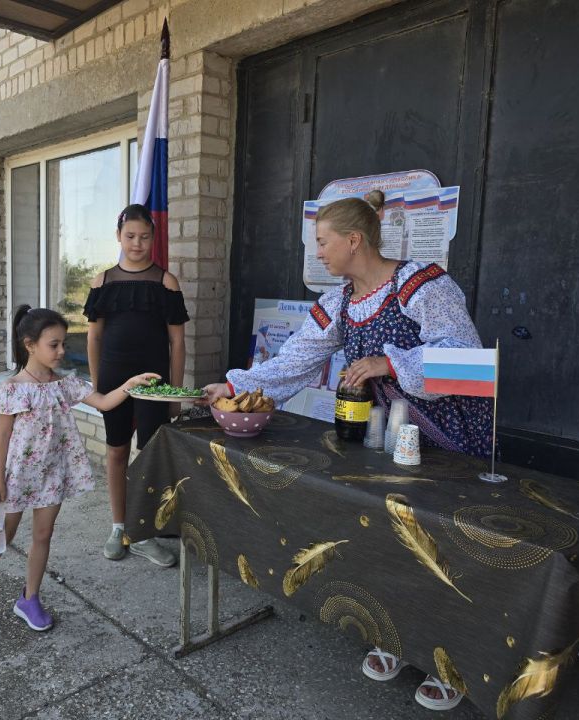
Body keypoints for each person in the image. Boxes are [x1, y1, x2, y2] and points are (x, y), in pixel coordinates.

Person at [203, 190, 492, 712]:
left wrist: (389, 362)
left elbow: (468, 365)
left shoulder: (423, 285)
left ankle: (453, 662)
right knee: (386, 532)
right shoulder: (340, 302)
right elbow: (293, 361)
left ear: (353, 240)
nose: (319, 254)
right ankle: (398, 636)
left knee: (443, 545)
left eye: (323, 243)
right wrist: (234, 385)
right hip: (381, 435)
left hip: (447, 438)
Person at [0, 306, 159, 630]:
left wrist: (131, 384)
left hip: (52, 473)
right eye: (54, 344)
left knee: (43, 535)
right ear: (29, 344)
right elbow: (2, 436)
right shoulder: (12, 388)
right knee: (1, 535)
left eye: (63, 343)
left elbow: (104, 402)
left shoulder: (66, 385)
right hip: (15, 474)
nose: (62, 351)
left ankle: (29, 598)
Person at [84, 204, 189, 567]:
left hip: (155, 384)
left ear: (153, 238)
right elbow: (93, 338)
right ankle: (118, 526)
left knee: (148, 456)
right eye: (130, 236)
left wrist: (175, 395)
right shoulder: (102, 282)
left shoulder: (166, 282)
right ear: (118, 236)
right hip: (114, 381)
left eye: (144, 237)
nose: (137, 243)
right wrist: (98, 387)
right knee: (115, 451)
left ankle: (143, 531)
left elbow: (178, 343)